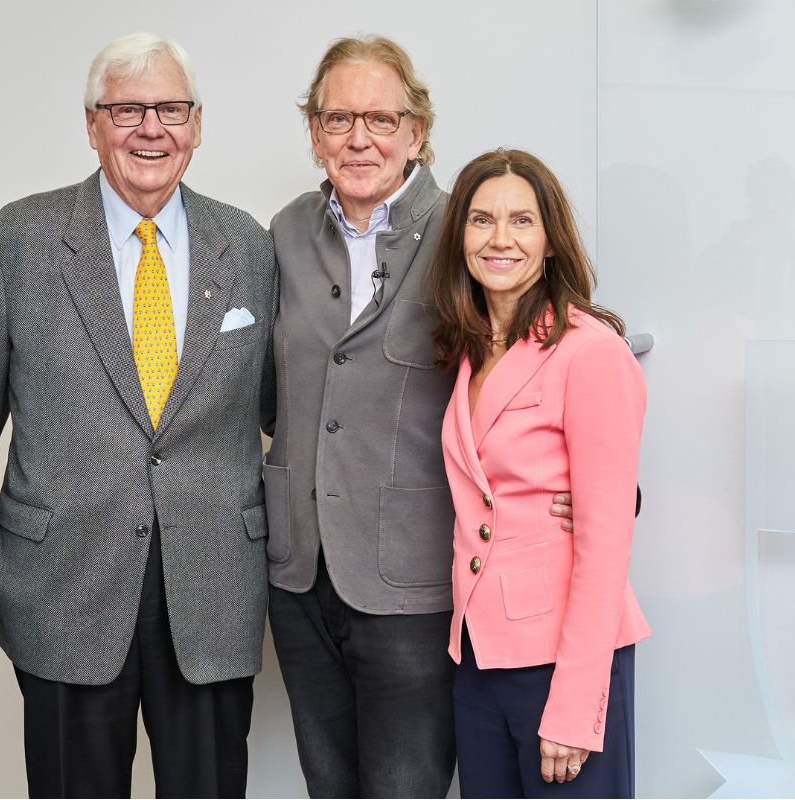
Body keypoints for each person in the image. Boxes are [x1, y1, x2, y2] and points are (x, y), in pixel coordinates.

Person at [264, 36, 573, 798]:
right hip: (299, 575)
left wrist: (588, 493)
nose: (359, 138)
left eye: (380, 117)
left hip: (416, 579)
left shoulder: (467, 229)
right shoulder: (282, 234)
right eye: (338, 118)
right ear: (313, 134)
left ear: (417, 131)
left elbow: (557, 350)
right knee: (327, 786)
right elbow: (271, 394)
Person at [0, 32, 277, 798]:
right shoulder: (13, 244)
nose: (151, 128)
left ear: (197, 124)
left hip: (212, 587)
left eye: (170, 108)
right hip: (65, 589)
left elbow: (292, 401)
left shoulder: (249, 245)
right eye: (127, 109)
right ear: (91, 123)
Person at [429, 149, 650, 798]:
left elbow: (606, 543)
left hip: (563, 660)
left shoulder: (590, 352)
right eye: (481, 220)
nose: (501, 239)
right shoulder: (467, 350)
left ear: (550, 239)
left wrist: (576, 704)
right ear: (459, 237)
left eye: (522, 221)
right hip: (478, 655)